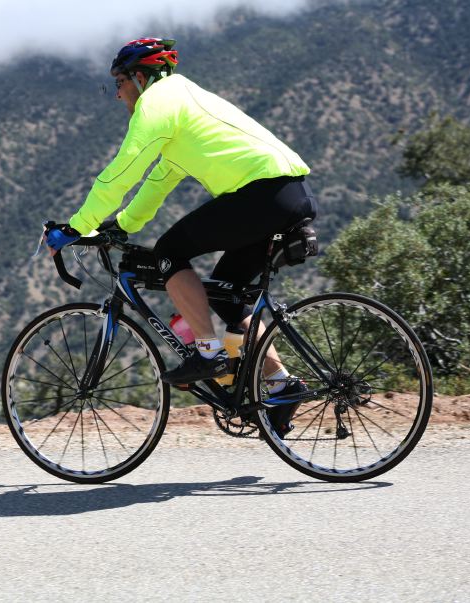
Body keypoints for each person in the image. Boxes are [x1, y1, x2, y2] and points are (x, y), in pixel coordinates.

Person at [46, 38, 317, 428]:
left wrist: (77, 226)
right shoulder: (182, 102)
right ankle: (281, 384)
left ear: (140, 78)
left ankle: (207, 352)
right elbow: (158, 181)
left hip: (264, 194)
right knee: (228, 292)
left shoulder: (157, 103)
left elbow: (124, 171)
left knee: (169, 252)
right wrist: (120, 225)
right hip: (288, 194)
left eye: (118, 82)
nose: (117, 93)